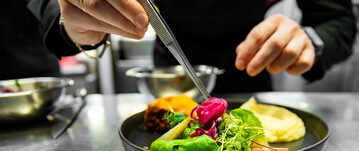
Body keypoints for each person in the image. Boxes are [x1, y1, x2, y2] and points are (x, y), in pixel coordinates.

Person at [33, 0, 357, 93]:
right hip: (169, 81)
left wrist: (310, 42)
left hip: (252, 74)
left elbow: (338, 22)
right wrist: (74, 22)